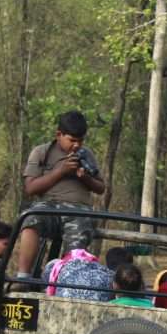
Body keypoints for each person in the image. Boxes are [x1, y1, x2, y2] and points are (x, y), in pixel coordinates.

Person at [18, 110, 106, 281]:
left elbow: (100, 188)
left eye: (80, 141)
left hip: (78, 209)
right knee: (30, 218)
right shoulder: (42, 152)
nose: (76, 145)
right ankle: (23, 277)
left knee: (78, 241)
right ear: (59, 134)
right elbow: (30, 188)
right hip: (49, 205)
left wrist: (84, 177)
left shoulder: (86, 154)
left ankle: (66, 283)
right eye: (72, 140)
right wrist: (61, 171)